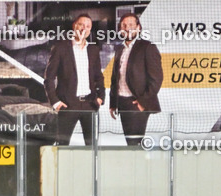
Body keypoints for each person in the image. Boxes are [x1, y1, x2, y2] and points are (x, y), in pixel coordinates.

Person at [44, 14, 105, 146]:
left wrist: (101, 97)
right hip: (68, 105)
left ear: (90, 30)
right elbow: (49, 78)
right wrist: (55, 102)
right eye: (81, 25)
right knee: (61, 145)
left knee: (92, 147)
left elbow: (98, 76)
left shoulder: (93, 50)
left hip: (90, 104)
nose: (84, 29)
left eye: (88, 26)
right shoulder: (60, 48)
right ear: (74, 26)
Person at [109, 13, 162, 147]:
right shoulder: (120, 49)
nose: (127, 28)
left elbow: (156, 79)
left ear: (138, 28)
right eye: (124, 25)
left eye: (131, 25)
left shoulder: (148, 47)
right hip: (122, 103)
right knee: (130, 143)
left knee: (135, 144)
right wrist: (113, 103)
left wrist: (142, 102)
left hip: (137, 103)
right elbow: (115, 78)